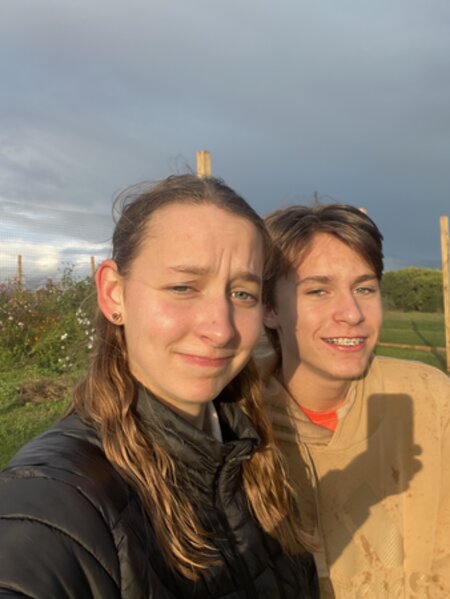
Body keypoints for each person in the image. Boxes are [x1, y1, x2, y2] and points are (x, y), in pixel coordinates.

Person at [0, 175, 318, 599]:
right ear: (114, 293)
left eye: (243, 294)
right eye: (183, 287)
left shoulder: (252, 451)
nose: (221, 329)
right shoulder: (56, 497)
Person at [258, 202, 450, 598]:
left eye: (364, 288)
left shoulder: (430, 399)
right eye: (318, 290)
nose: (352, 313)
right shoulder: (236, 426)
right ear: (269, 309)